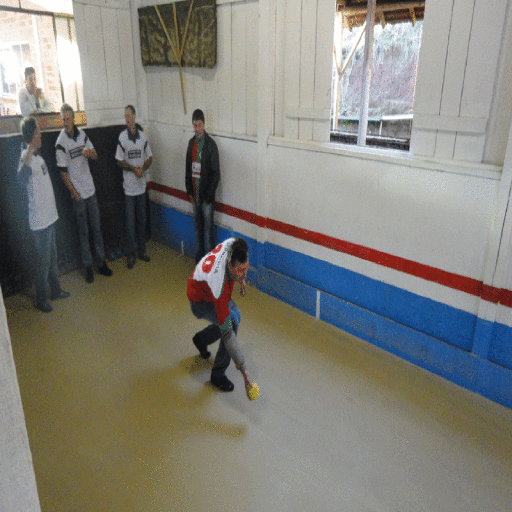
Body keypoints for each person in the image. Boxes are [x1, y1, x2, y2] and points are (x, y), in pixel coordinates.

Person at [187, 237, 254, 397]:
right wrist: (244, 371)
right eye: (240, 271)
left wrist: (241, 279)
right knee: (231, 323)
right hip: (200, 301)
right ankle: (217, 375)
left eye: (246, 269)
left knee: (236, 315)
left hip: (208, 290)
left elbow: (240, 265)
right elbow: (228, 335)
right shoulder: (219, 284)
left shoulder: (234, 244)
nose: (243, 274)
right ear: (230, 265)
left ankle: (201, 339)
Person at [17, 116, 70, 312]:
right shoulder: (26, 156)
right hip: (40, 222)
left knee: (52, 258)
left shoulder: (38, 157)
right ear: (32, 135)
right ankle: (41, 299)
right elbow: (21, 180)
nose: (41, 135)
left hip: (49, 217)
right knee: (43, 263)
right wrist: (29, 153)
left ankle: (55, 291)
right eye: (38, 132)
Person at [55, 103, 112, 283]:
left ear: (74, 119)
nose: (66, 122)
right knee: (83, 232)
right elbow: (63, 173)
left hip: (91, 191)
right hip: (78, 195)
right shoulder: (60, 143)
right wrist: (74, 193)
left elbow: (95, 155)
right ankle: (88, 267)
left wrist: (89, 152)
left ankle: (101, 263)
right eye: (64, 119)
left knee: (96, 229)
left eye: (69, 119)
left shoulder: (83, 135)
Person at [115, 105, 153, 269]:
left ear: (135, 116)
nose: (127, 119)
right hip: (129, 190)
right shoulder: (122, 137)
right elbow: (119, 160)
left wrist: (142, 169)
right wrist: (133, 169)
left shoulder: (142, 136)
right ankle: (131, 255)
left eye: (129, 115)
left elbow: (150, 157)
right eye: (125, 116)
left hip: (141, 188)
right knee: (130, 224)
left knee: (141, 222)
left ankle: (141, 251)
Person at [185, 109, 220, 263]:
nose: (197, 128)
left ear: (204, 125)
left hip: (206, 199)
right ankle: (199, 260)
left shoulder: (211, 145)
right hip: (195, 197)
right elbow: (187, 168)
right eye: (194, 125)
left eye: (199, 125)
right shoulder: (191, 144)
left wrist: (209, 195)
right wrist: (189, 191)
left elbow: (216, 173)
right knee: (198, 229)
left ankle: (210, 264)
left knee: (208, 232)